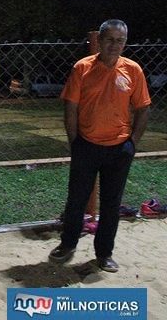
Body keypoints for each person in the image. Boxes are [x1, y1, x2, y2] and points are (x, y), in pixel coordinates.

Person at [48, 19, 151, 272]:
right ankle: (67, 244)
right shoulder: (82, 68)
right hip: (87, 145)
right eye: (109, 39)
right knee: (76, 200)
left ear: (125, 43)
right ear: (99, 40)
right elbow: (70, 107)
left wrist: (132, 143)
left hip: (119, 149)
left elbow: (143, 107)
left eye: (120, 40)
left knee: (111, 204)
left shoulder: (133, 70)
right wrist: (75, 141)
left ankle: (104, 253)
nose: (114, 45)